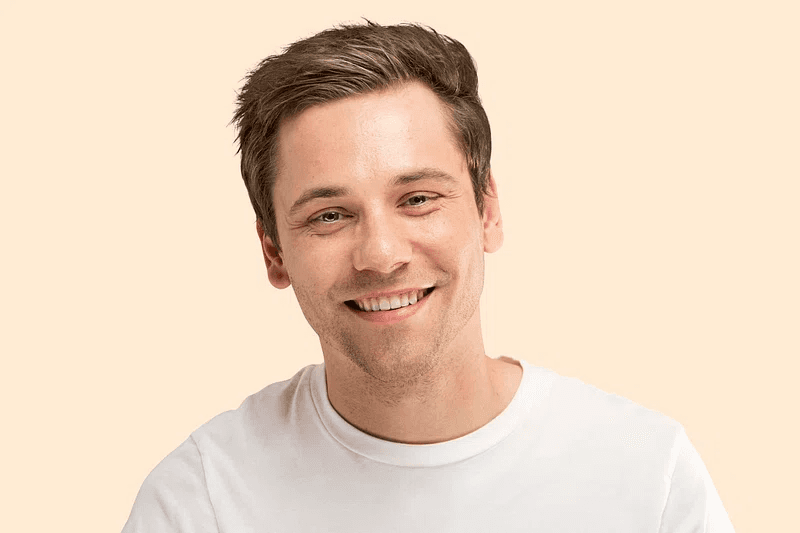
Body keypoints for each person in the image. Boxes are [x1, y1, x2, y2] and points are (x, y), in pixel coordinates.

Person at [122, 22, 734, 532]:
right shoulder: (201, 502)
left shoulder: (646, 478)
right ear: (273, 251)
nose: (381, 255)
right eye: (330, 215)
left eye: (417, 199)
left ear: (487, 210)